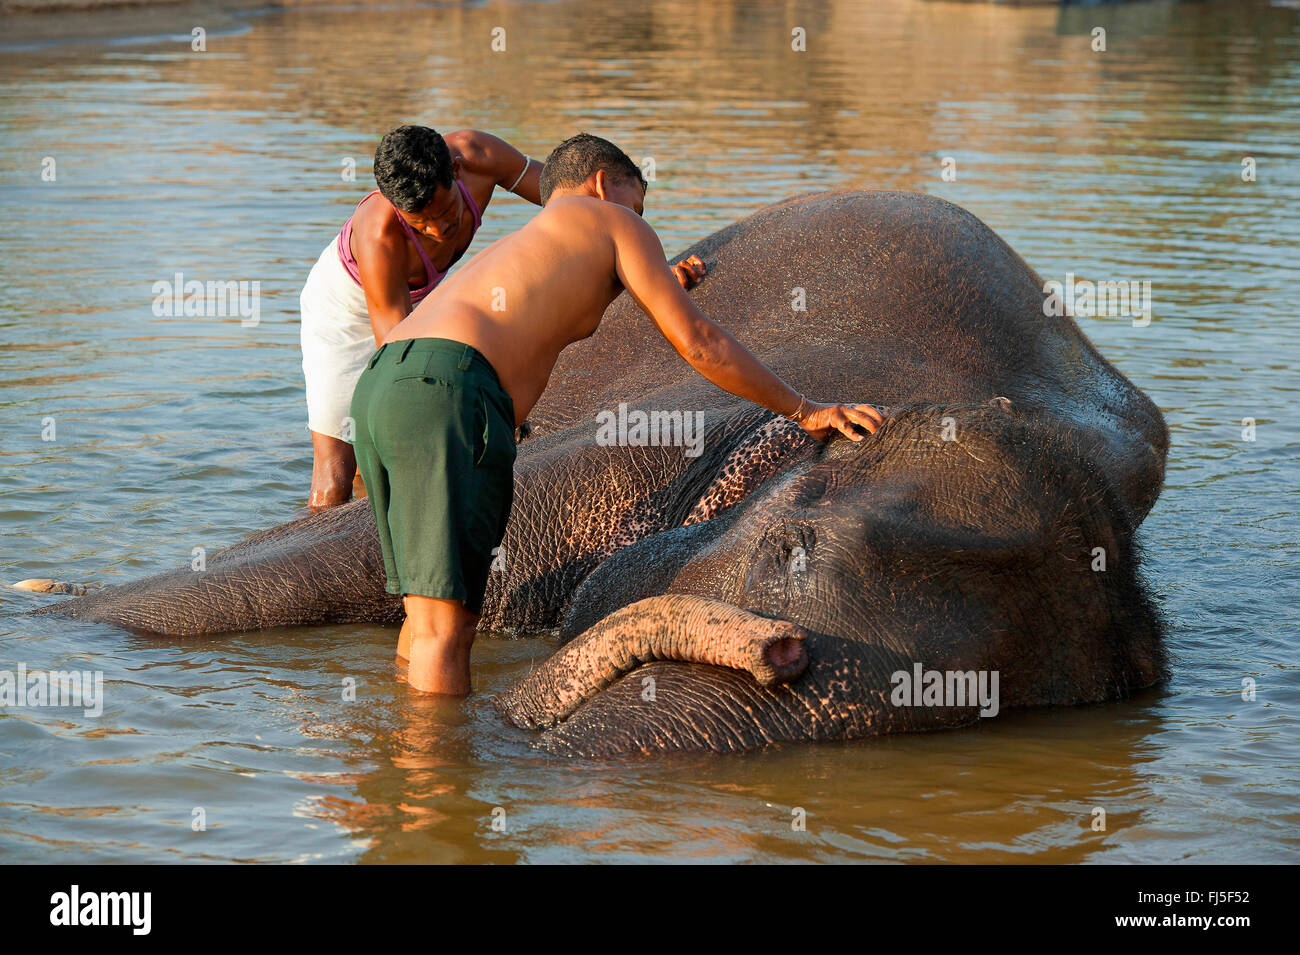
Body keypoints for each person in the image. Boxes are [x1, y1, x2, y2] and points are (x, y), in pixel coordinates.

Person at [349, 133, 882, 694]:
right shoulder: (612, 222)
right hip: (448, 387)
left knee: (424, 617)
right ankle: (436, 776)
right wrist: (805, 409)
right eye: (638, 203)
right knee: (447, 629)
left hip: (384, 382)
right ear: (604, 184)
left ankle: (399, 755)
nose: (641, 220)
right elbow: (698, 342)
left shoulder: (527, 242)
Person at [299, 124, 705, 511]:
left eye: (446, 213)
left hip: (426, 302)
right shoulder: (380, 234)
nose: (439, 232)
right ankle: (319, 550)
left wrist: (648, 272)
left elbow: (576, 201)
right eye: (420, 225)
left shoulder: (481, 155)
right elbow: (398, 356)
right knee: (338, 464)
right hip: (343, 311)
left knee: (378, 471)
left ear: (457, 172)